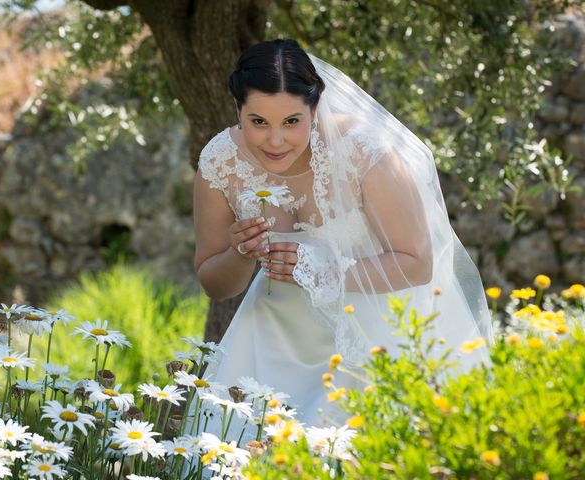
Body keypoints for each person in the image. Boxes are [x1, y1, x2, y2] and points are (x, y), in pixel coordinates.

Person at [191, 39, 493, 438]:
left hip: (370, 336)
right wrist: (241, 252)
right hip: (270, 341)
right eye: (258, 122)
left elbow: (418, 262)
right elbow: (215, 284)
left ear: (315, 109)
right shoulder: (220, 160)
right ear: (238, 111)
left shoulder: (365, 152)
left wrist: (318, 268)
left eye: (292, 122)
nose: (276, 140)